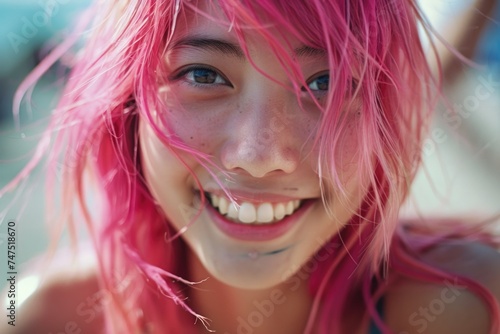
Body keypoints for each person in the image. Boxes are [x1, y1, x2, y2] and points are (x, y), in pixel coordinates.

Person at [1, 0, 500, 333]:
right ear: (128, 103)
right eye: (203, 74)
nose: (259, 157)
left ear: (384, 115)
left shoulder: (470, 310)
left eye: (328, 83)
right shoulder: (37, 317)